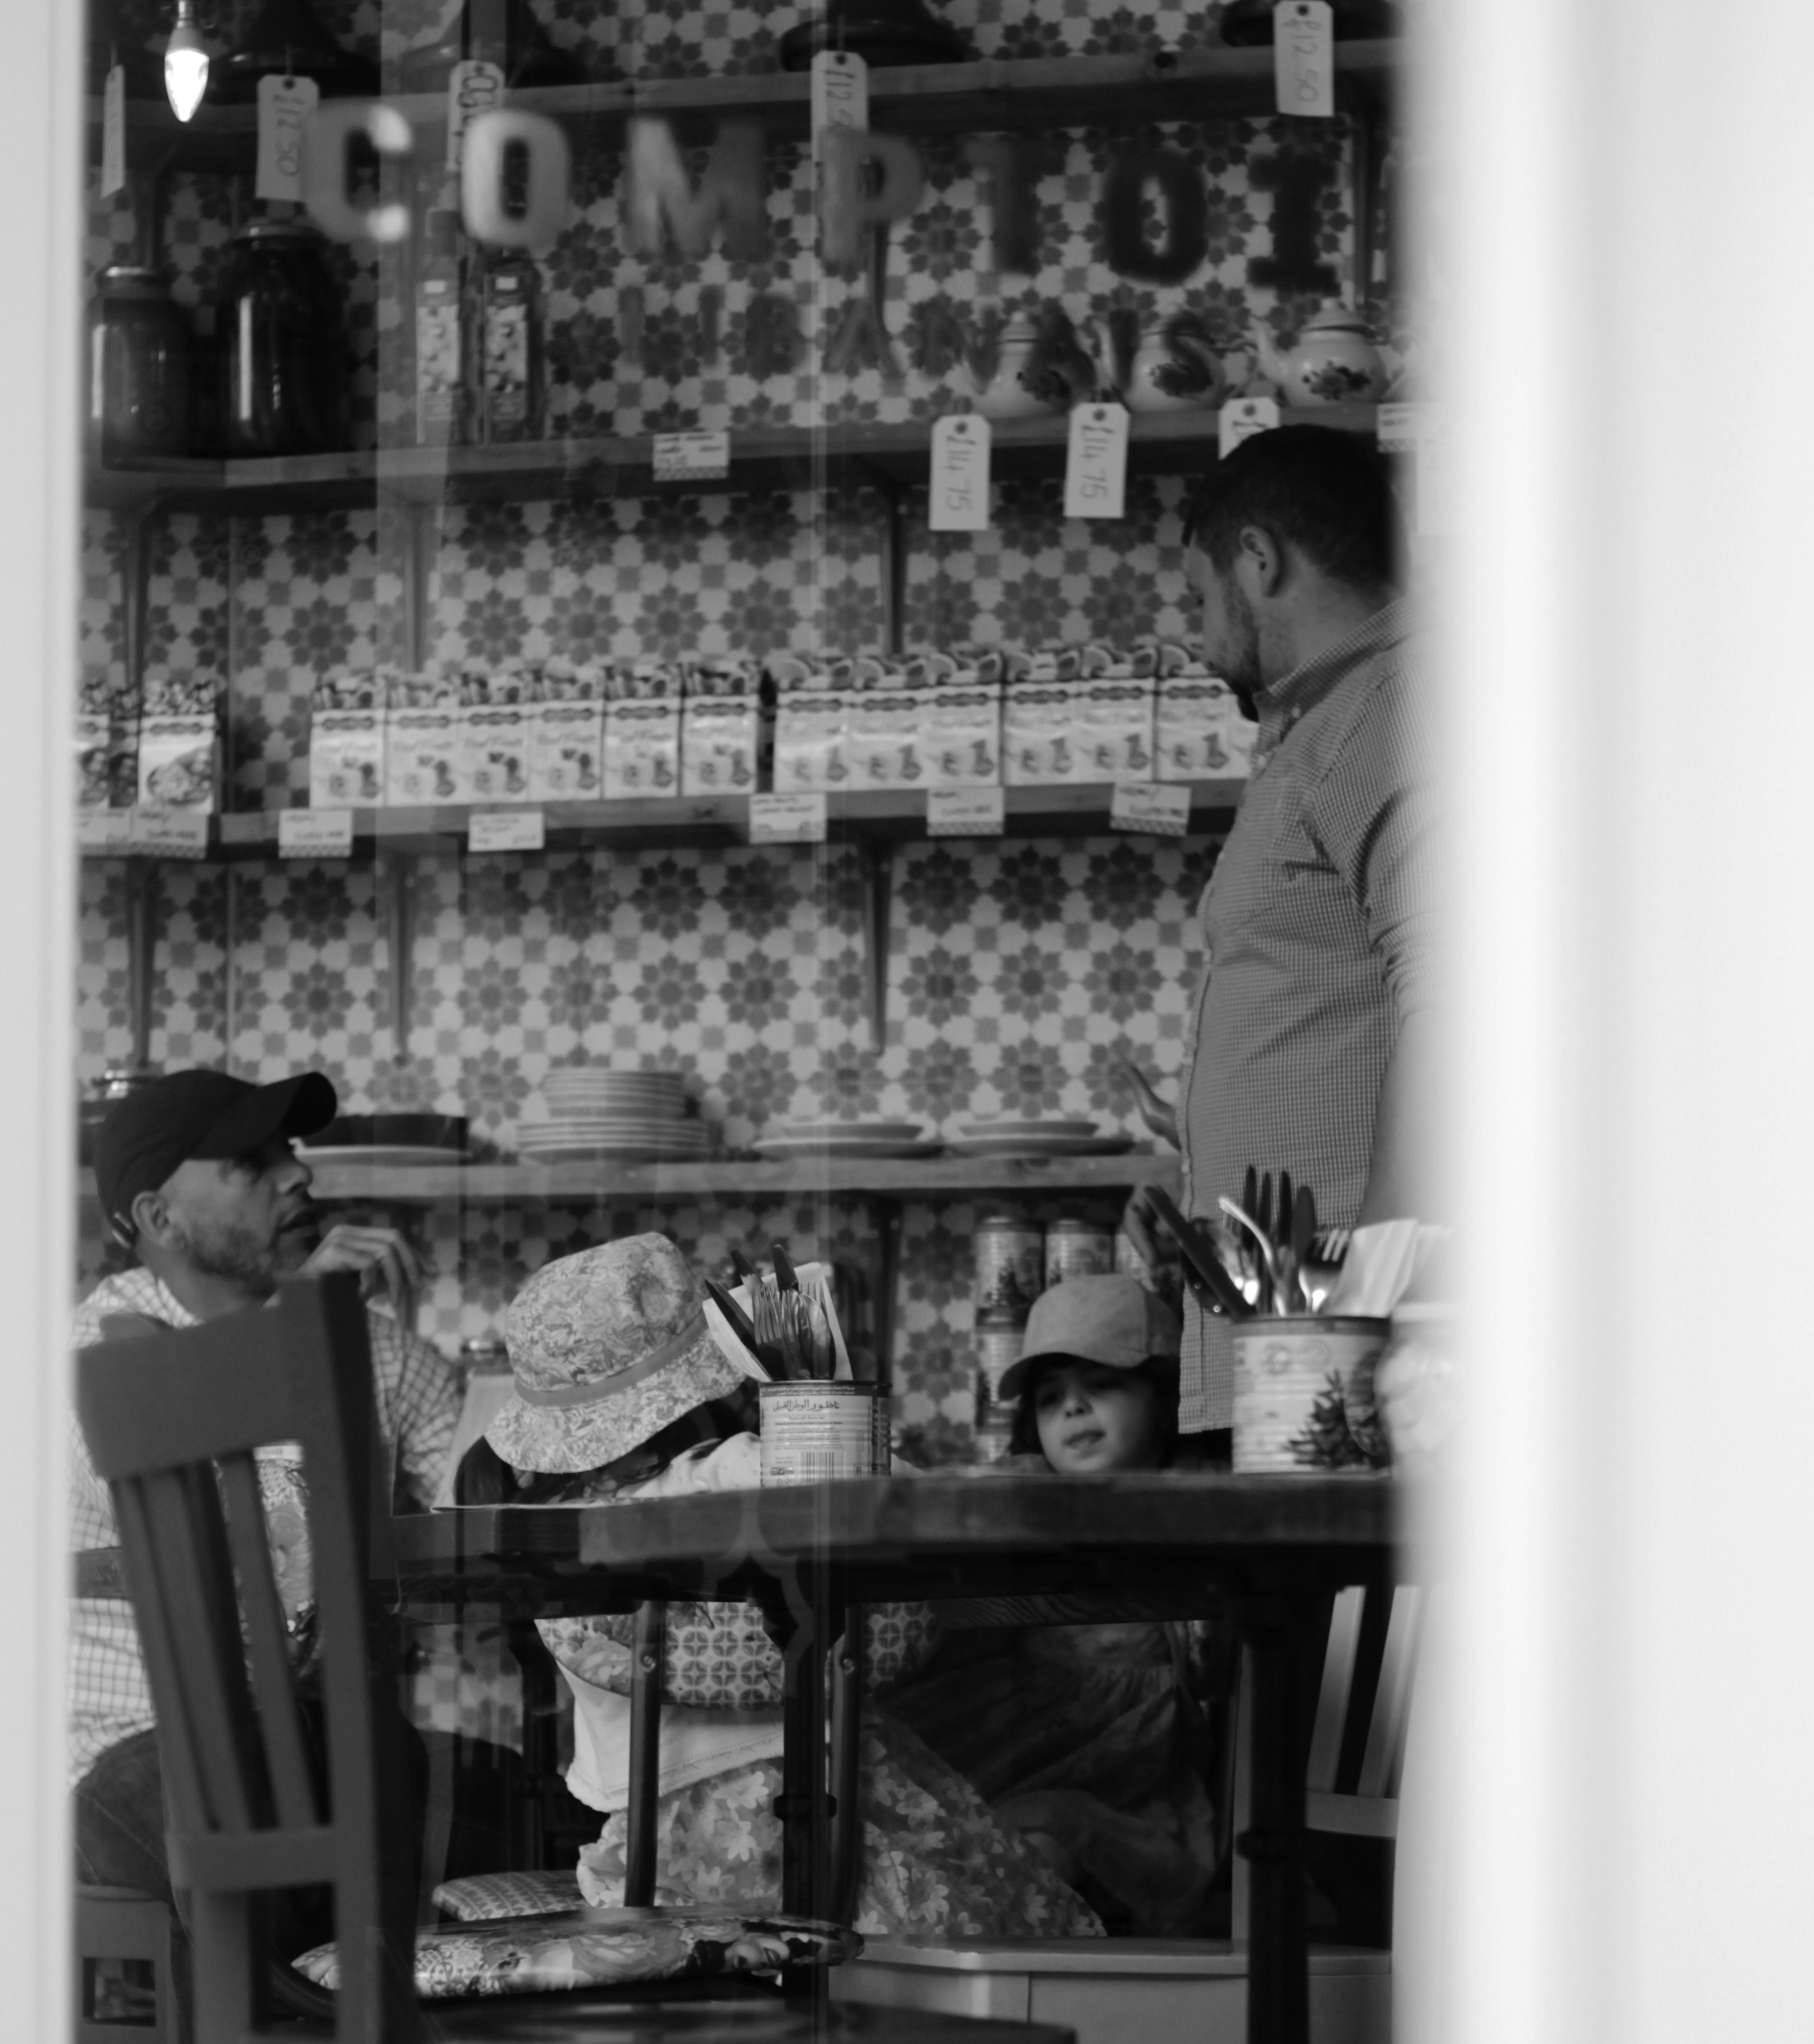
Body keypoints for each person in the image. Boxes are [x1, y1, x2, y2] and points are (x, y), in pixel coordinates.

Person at [456, 1231, 1101, 1941]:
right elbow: (905, 1497)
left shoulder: (560, 1527)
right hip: (823, 1814)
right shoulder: (733, 1470)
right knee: (993, 1910)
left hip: (660, 1857)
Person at [70, 1067, 459, 1910]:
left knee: (491, 1800)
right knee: (256, 1807)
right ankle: (315, 1990)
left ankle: (358, 1987)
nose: (298, 1174)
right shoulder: (96, 1359)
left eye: (289, 1152)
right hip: (127, 1752)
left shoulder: (372, 1347)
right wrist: (298, 1328)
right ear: (159, 1219)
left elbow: (475, 1498)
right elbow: (256, 1572)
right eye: (250, 1164)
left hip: (305, 1735)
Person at [1134, 422, 1433, 1453]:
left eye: (1199, 597)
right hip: (1295, 1344)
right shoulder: (1334, 722)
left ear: (1257, 560)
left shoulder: (1392, 706)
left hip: (1340, 1358)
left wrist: (1378, 1304)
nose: (1198, 633)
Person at [882, 1275, 1225, 1935]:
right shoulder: (1024, 1493)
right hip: (994, 1754)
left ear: (1166, 1396)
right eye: (1050, 1397)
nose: (1073, 1409)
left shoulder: (1201, 1505)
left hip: (1124, 1791)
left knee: (1039, 1840)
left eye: (1101, 1384)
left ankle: (1011, 1979)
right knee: (914, 1823)